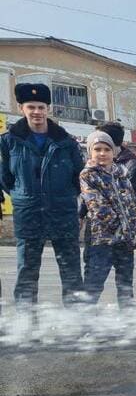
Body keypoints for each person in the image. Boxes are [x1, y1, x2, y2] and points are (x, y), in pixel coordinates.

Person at [0, 83, 84, 307]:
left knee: (71, 271)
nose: (36, 112)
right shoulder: (8, 142)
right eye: (31, 107)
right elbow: (6, 179)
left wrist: (62, 197)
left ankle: (75, 320)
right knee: (27, 270)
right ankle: (26, 323)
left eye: (41, 106)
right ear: (21, 108)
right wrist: (24, 196)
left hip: (63, 213)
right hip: (28, 213)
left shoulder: (66, 142)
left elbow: (79, 177)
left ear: (48, 109)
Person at [79, 131, 136, 306]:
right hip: (102, 240)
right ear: (90, 152)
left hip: (125, 239)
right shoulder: (88, 175)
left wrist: (135, 228)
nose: (102, 153)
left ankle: (127, 319)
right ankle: (84, 321)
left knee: (125, 284)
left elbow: (131, 204)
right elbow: (98, 207)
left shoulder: (122, 173)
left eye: (107, 149)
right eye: (97, 149)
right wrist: (122, 226)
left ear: (113, 152)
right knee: (94, 282)